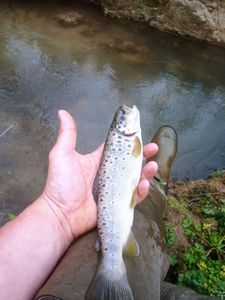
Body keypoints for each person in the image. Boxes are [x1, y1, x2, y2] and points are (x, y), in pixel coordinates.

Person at [0, 110, 159, 300]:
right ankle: (159, 190)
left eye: (121, 116)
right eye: (122, 117)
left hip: (105, 205)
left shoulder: (129, 140)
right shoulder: (132, 141)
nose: (126, 113)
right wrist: (57, 208)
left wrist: (56, 211)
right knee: (149, 192)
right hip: (105, 206)